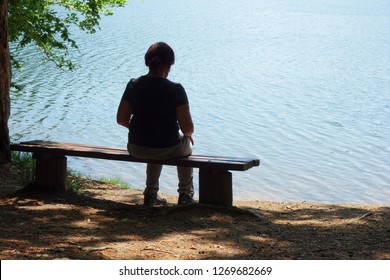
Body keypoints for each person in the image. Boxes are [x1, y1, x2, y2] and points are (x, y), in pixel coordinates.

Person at [117, 42, 195, 207]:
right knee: (185, 146)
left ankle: (151, 194)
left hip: (136, 147)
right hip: (167, 148)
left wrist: (137, 127)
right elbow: (187, 128)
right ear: (169, 65)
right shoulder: (176, 89)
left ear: (148, 62)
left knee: (155, 144)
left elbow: (121, 119)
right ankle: (185, 195)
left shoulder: (134, 85)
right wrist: (188, 136)